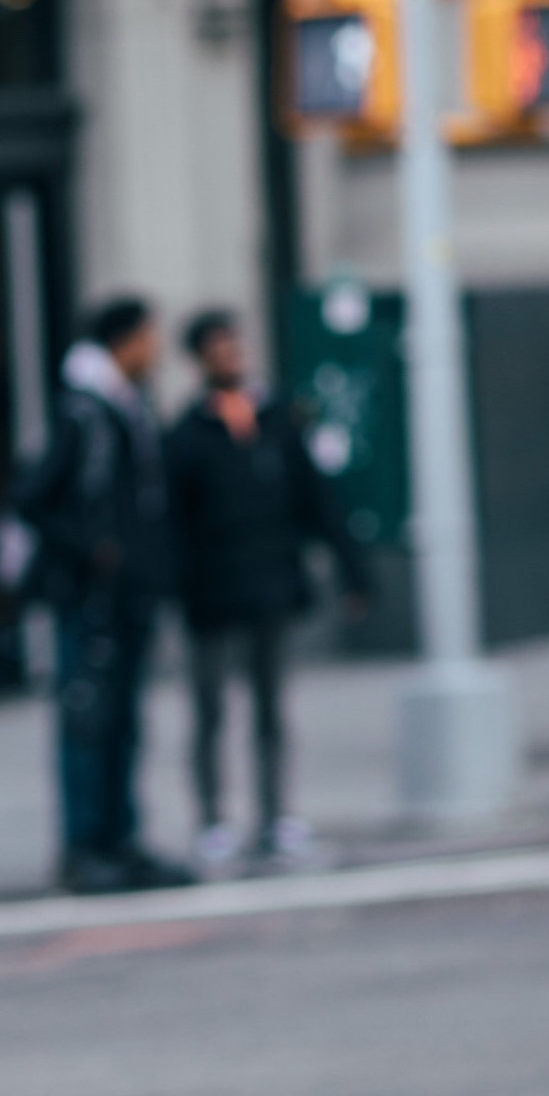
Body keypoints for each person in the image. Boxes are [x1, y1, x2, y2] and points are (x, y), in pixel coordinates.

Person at [166, 307, 370, 867]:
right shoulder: (187, 436)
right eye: (217, 349)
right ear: (199, 359)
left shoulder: (277, 420)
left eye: (234, 346)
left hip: (271, 583)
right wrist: (178, 589)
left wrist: (353, 570)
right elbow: (173, 523)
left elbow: (318, 499)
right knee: (210, 710)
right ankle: (212, 818)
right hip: (212, 593)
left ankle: (275, 813)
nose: (230, 357)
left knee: (270, 709)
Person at [10, 294, 188, 894]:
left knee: (122, 722)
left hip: (126, 597)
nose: (156, 350)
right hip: (90, 598)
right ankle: (85, 847)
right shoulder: (84, 412)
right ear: (125, 342)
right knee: (88, 720)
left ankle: (120, 839)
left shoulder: (124, 406)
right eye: (148, 338)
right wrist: (95, 547)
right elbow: (31, 496)